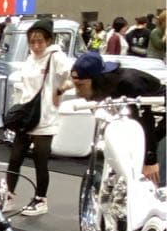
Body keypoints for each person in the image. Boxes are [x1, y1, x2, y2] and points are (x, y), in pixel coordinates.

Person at [2, 17, 70, 217]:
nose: (36, 45)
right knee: (15, 158)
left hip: (45, 118)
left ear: (48, 40)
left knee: (41, 161)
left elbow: (73, 76)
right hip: (26, 117)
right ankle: (8, 196)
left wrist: (60, 91)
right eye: (32, 41)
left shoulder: (56, 57)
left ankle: (41, 200)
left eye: (40, 41)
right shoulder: (30, 58)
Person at [70, 50, 166, 185]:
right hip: (140, 121)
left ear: (96, 80)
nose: (77, 91)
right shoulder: (101, 87)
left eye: (80, 85)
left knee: (155, 173)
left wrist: (150, 160)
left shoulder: (129, 84)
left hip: (159, 119)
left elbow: (145, 120)